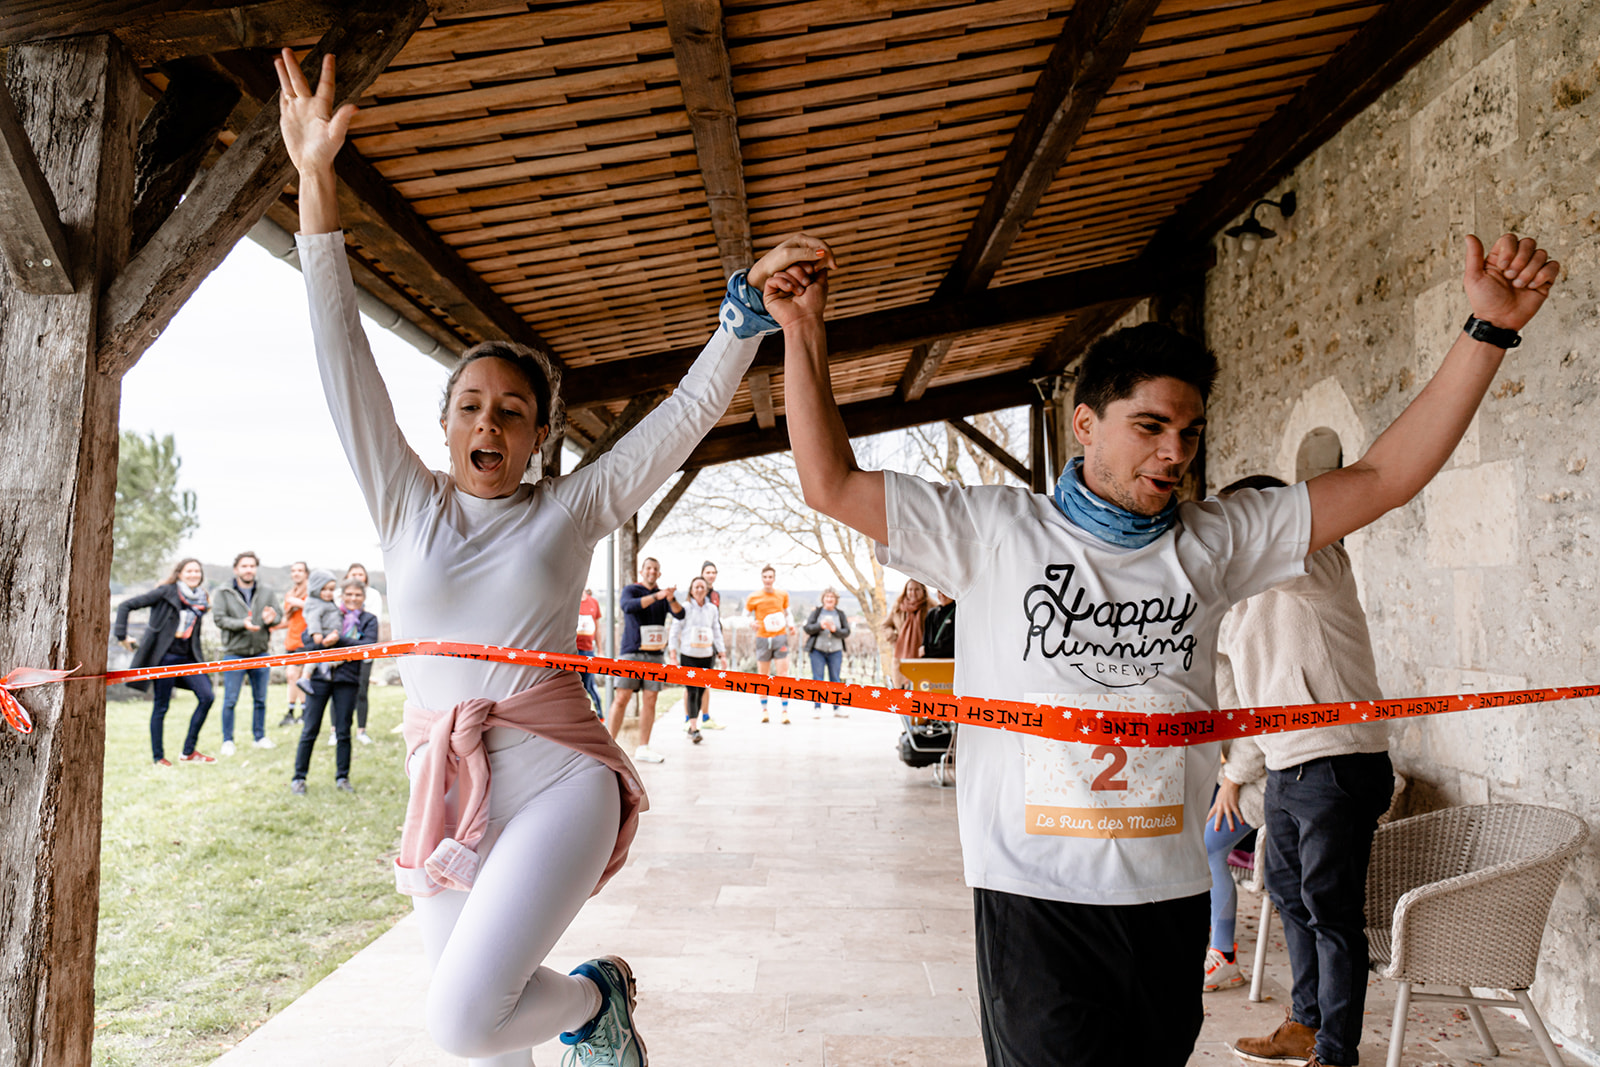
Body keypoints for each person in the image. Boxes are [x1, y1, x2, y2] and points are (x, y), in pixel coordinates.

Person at [775, 226, 1558, 1067]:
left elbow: (1379, 480)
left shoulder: (1214, 540)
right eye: (1149, 426)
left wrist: (1487, 333)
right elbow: (830, 483)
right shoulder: (992, 531)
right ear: (1084, 424)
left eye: (1188, 432)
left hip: (1167, 895)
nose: (1174, 452)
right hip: (1036, 895)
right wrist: (803, 333)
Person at [278, 46, 829, 1067]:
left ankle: (594, 997)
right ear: (445, 425)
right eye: (473, 406)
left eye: (514, 411)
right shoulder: (405, 502)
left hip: (557, 777)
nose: (491, 422)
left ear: (540, 437)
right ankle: (583, 1008)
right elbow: (336, 348)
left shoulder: (570, 510)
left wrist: (743, 316)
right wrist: (314, 177)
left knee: (458, 1016)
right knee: (486, 1041)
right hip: (442, 781)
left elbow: (687, 416)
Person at [1212, 479, 1393, 1067]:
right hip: (1288, 766)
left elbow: (1283, 552)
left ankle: (1337, 1054)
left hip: (1338, 760)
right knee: (1291, 899)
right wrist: (1235, 769)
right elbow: (1228, 680)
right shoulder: (1239, 600)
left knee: (1331, 912)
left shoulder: (1319, 560)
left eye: (1246, 518)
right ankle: (1305, 1026)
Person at [114, 557, 217, 766]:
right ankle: (158, 758)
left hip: (189, 659)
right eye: (189, 571)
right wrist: (122, 636)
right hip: (164, 658)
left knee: (207, 696)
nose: (193, 574)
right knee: (161, 706)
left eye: (197, 571)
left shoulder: (201, 599)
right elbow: (126, 605)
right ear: (179, 573)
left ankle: (188, 752)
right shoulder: (166, 592)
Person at [291, 580, 378, 794]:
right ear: (342, 596)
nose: (352, 598)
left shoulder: (369, 620)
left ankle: (342, 777)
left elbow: (368, 646)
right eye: (348, 594)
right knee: (310, 728)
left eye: (357, 594)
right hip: (319, 679)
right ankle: (299, 778)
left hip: (347, 680)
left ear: (364, 597)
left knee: (343, 730)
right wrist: (323, 641)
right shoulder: (329, 612)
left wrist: (339, 641)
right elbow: (308, 640)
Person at [1202, 736, 1265, 992]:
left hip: (1260, 779)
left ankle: (1224, 953)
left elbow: (1255, 733)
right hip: (1237, 776)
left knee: (1208, 850)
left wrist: (1231, 782)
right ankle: (1217, 948)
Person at [606, 557, 683, 764]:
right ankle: (608, 745)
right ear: (642, 571)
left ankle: (643, 747)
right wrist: (656, 596)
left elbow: (680, 614)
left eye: (655, 569)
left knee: (651, 700)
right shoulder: (632, 590)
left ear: (659, 573)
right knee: (621, 698)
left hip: (655, 655)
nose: (651, 571)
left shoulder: (664, 596)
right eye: (648, 568)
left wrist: (670, 598)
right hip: (631, 652)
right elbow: (627, 607)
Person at [212, 550, 281, 755]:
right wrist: (241, 624)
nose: (248, 570)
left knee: (260, 699)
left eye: (252, 566)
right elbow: (219, 619)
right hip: (235, 652)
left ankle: (259, 737)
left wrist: (272, 619)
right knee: (230, 700)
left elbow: (278, 615)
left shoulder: (267, 591)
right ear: (236, 569)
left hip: (260, 652)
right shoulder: (224, 592)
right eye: (244, 566)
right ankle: (228, 740)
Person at [667, 576, 727, 743]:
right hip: (689, 655)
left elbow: (716, 631)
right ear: (691, 590)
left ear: (707, 590)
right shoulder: (684, 608)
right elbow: (674, 630)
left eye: (702, 587)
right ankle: (693, 728)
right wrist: (673, 653)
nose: (699, 590)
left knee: (701, 691)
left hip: (707, 656)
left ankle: (694, 723)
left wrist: (722, 653)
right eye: (696, 587)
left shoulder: (712, 609)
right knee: (692, 691)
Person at [744, 564, 793, 723]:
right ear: (762, 578)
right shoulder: (754, 597)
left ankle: (784, 711)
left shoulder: (782, 594)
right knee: (763, 676)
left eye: (770, 577)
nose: (768, 580)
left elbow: (788, 612)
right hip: (762, 638)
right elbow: (745, 615)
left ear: (774, 578)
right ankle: (764, 710)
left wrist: (791, 625)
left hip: (780, 636)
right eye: (765, 577)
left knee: (782, 675)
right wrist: (751, 623)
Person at [344, 562, 380, 745]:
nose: (357, 577)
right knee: (339, 691)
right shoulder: (340, 597)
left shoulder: (373, 596)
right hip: (342, 656)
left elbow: (373, 622)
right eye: (353, 574)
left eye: (360, 574)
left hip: (364, 653)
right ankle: (336, 730)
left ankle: (361, 730)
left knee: (362, 691)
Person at [802, 588, 851, 717]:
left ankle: (837, 708)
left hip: (835, 651)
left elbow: (846, 632)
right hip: (817, 650)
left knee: (835, 679)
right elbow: (807, 628)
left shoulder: (840, 614)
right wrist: (820, 626)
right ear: (823, 599)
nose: (829, 599)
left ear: (836, 600)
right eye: (827, 597)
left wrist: (835, 630)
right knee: (818, 679)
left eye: (832, 597)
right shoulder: (817, 612)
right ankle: (817, 707)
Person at [279, 560, 311, 726]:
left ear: (306, 573)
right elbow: (287, 618)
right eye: (293, 571)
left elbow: (316, 609)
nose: (296, 573)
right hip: (290, 641)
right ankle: (294, 712)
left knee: (294, 675)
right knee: (293, 677)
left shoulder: (311, 592)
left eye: (300, 570)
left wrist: (301, 603)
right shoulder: (289, 594)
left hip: (304, 640)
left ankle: (301, 712)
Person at [694, 561, 724, 729]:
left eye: (714, 572)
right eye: (708, 572)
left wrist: (720, 647)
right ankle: (688, 719)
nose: (711, 575)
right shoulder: (696, 591)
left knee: (706, 682)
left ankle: (705, 717)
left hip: (710, 643)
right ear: (702, 574)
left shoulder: (715, 595)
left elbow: (716, 621)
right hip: (694, 644)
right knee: (691, 683)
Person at [884, 578, 928, 687]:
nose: (913, 593)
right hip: (901, 653)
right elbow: (885, 625)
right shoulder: (898, 607)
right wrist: (893, 638)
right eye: (910, 590)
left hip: (923, 655)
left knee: (921, 687)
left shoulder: (931, 607)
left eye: (917, 589)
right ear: (906, 591)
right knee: (901, 689)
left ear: (923, 591)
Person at [576, 587, 605, 716]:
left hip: (588, 651)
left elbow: (597, 629)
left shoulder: (593, 602)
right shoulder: (572, 601)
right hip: (573, 651)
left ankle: (600, 715)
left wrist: (600, 650)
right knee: (575, 687)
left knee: (589, 685)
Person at [923, 590, 956, 659]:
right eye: (939, 592)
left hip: (951, 661)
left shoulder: (958, 613)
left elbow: (953, 644)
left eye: (945, 592)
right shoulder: (932, 613)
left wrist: (928, 650)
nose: (942, 595)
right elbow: (925, 641)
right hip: (931, 661)